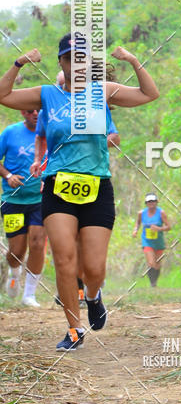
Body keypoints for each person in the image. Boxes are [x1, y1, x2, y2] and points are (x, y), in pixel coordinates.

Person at [0, 36, 159, 351]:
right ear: (61, 62)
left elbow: (149, 94)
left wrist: (132, 61)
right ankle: (74, 329)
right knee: (64, 259)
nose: (77, 64)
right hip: (58, 186)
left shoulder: (103, 92)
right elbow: (3, 94)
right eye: (70, 58)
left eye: (83, 58)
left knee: (94, 269)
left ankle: (93, 295)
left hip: (97, 186)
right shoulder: (47, 95)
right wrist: (19, 63)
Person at [38, 69, 121, 309]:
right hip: (57, 181)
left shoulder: (96, 107)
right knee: (65, 248)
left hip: (93, 180)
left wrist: (92, 143)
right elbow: (42, 140)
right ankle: (73, 296)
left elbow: (114, 136)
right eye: (63, 85)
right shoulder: (49, 108)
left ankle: (91, 290)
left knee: (86, 248)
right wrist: (40, 164)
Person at [0, 107, 45, 307]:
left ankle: (29, 295)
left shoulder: (49, 132)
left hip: (41, 200)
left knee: (37, 244)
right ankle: (14, 272)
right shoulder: (10, 133)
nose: (35, 114)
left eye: (38, 110)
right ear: (22, 113)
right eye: (29, 111)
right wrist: (8, 176)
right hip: (13, 200)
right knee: (17, 251)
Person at [133, 193, 171, 286]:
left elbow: (169, 227)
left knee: (157, 264)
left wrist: (159, 229)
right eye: (149, 201)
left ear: (156, 202)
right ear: (146, 203)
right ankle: (152, 283)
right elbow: (138, 223)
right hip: (147, 241)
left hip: (159, 241)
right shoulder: (141, 213)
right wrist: (135, 231)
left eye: (153, 201)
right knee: (151, 262)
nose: (151, 203)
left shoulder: (161, 213)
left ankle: (155, 282)